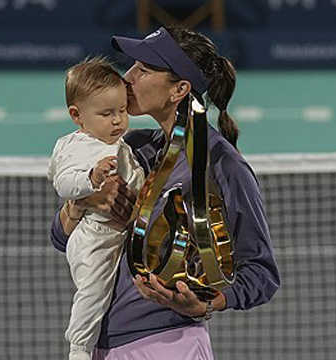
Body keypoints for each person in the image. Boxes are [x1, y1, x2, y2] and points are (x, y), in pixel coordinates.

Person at [50, 26, 280, 360]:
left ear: (179, 90)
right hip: (103, 345)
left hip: (167, 344)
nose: (126, 77)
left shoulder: (221, 164)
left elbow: (261, 273)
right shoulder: (131, 149)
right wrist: (79, 206)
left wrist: (204, 302)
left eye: (142, 70)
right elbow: (60, 238)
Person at [47, 56, 145, 360]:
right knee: (93, 291)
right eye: (106, 114)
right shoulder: (78, 146)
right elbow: (62, 182)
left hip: (120, 234)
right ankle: (78, 350)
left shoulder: (118, 141)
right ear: (77, 115)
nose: (117, 120)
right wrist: (90, 181)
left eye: (122, 111)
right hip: (94, 237)